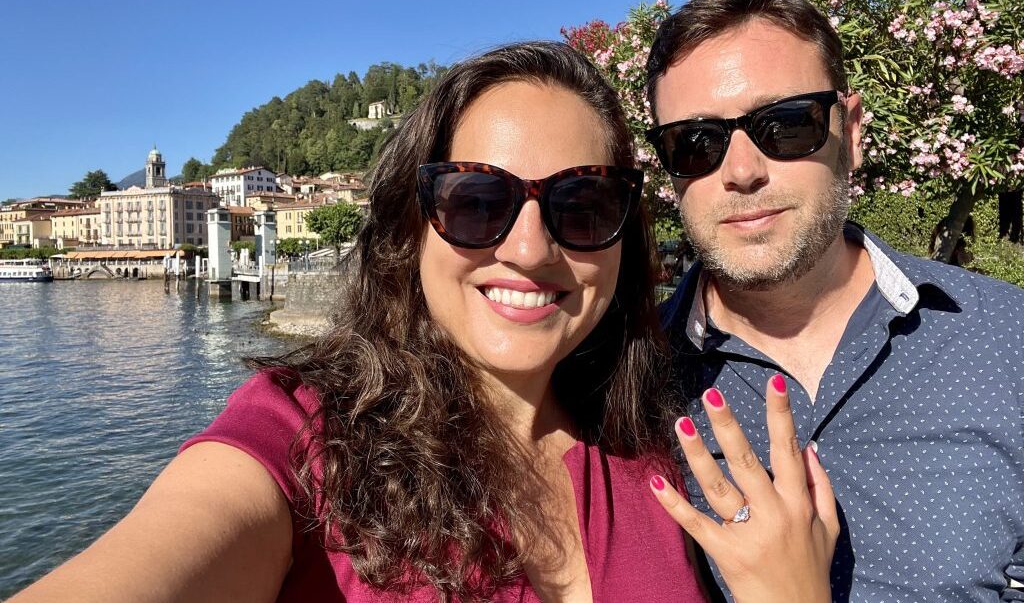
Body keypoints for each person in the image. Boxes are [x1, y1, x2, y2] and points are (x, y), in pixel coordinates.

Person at [13, 42, 836, 603]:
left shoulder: (660, 445)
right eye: (478, 202)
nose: (528, 246)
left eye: (581, 205)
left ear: (624, 237)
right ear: (412, 227)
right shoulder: (303, 436)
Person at [645, 0, 1024, 602]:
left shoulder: (1006, 339)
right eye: (697, 141)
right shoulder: (625, 383)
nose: (741, 171)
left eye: (786, 124)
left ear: (850, 130)